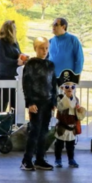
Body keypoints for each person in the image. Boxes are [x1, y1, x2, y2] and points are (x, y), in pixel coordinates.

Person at [21, 37, 56, 171]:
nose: (44, 51)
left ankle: (40, 159)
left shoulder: (50, 65)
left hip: (47, 103)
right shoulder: (30, 65)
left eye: (46, 48)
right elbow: (26, 84)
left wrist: (54, 101)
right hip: (35, 103)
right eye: (41, 48)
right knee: (34, 131)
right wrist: (30, 102)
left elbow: (53, 84)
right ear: (35, 48)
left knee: (44, 132)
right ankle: (27, 159)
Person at [53, 70, 85, 168]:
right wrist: (67, 98)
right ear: (62, 88)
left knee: (70, 145)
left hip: (72, 127)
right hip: (62, 126)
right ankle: (58, 159)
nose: (70, 89)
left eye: (72, 87)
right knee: (59, 144)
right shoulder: (60, 98)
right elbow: (61, 107)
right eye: (67, 87)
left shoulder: (76, 99)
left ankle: (71, 159)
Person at [0, 20, 25, 112]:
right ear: (9, 30)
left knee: (14, 104)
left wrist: (23, 58)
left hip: (14, 77)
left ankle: (13, 124)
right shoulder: (0, 43)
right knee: (3, 103)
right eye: (14, 28)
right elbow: (2, 59)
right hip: (3, 77)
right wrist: (16, 62)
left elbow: (19, 53)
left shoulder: (15, 42)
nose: (16, 30)